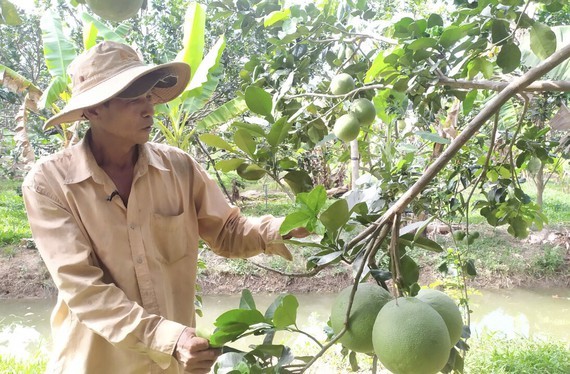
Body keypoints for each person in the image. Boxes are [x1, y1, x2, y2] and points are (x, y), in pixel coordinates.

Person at [22, 41, 307, 374]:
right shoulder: (49, 184)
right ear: (95, 110)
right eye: (133, 98)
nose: (149, 108)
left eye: (149, 96)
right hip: (95, 364)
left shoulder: (179, 169)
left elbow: (228, 231)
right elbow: (84, 290)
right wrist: (170, 339)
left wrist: (285, 226)